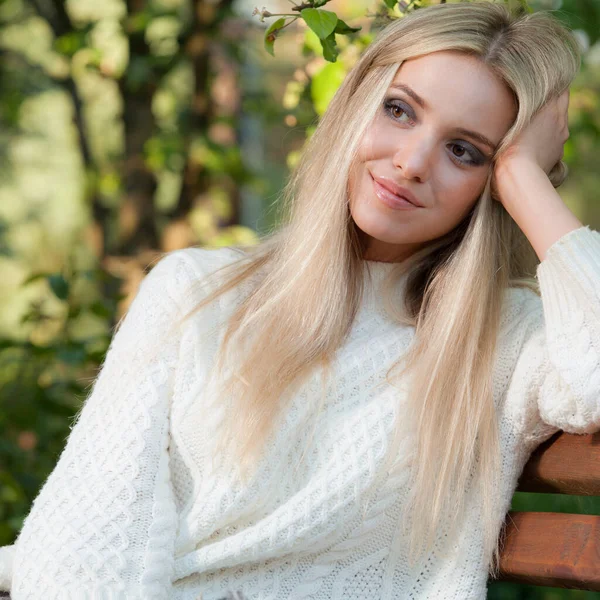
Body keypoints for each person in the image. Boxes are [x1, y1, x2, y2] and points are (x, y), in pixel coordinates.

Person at [1, 2, 599, 598]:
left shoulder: (507, 342)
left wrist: (527, 182)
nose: (411, 163)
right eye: (398, 110)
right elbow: (92, 536)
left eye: (465, 151)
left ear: (491, 187)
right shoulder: (197, 291)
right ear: (354, 107)